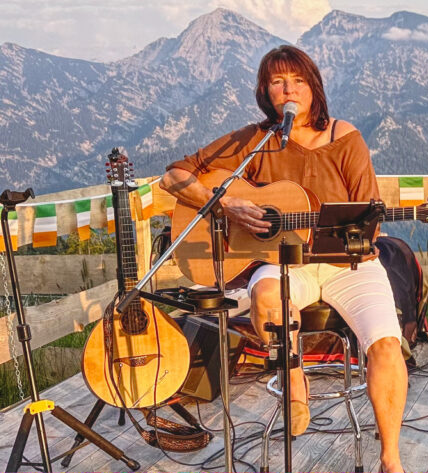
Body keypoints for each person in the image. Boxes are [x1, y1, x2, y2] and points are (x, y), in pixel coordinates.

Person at [160, 45, 407, 473]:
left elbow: (373, 219)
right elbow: (173, 177)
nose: (288, 88)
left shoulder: (344, 138)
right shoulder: (256, 142)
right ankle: (294, 381)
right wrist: (225, 204)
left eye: (297, 79)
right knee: (269, 298)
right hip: (282, 261)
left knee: (386, 345)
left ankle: (390, 458)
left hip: (349, 264)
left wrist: (353, 234)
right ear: (265, 91)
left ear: (314, 87)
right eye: (278, 81)